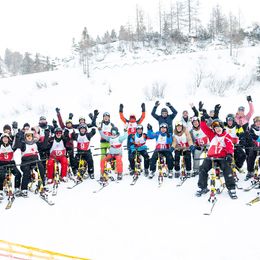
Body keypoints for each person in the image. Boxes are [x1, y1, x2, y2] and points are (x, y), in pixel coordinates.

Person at [196, 118, 237, 199]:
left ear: (222, 127)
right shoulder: (212, 135)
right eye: (215, 128)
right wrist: (203, 119)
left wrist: (229, 154)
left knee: (227, 169)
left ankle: (231, 188)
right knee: (202, 168)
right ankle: (202, 187)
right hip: (211, 157)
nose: (217, 129)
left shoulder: (226, 136)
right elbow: (203, 127)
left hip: (222, 158)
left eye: (218, 127)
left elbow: (230, 146)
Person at [13, 129, 48, 197]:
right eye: (27, 136)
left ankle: (41, 184)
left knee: (41, 168)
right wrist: (17, 138)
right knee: (26, 172)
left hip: (35, 161)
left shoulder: (35, 143)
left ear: (32, 136)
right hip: (25, 162)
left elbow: (44, 146)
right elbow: (17, 146)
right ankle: (24, 188)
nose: (29, 137)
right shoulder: (23, 144)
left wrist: (46, 135)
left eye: (30, 136)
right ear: (25, 137)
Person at [0, 133, 22, 199]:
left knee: (18, 174)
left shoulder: (11, 146)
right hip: (2, 164)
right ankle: (0, 190)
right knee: (1, 175)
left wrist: (17, 137)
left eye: (6, 138)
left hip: (11, 163)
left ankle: (17, 188)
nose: (5, 139)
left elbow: (17, 144)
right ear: (1, 139)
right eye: (4, 138)